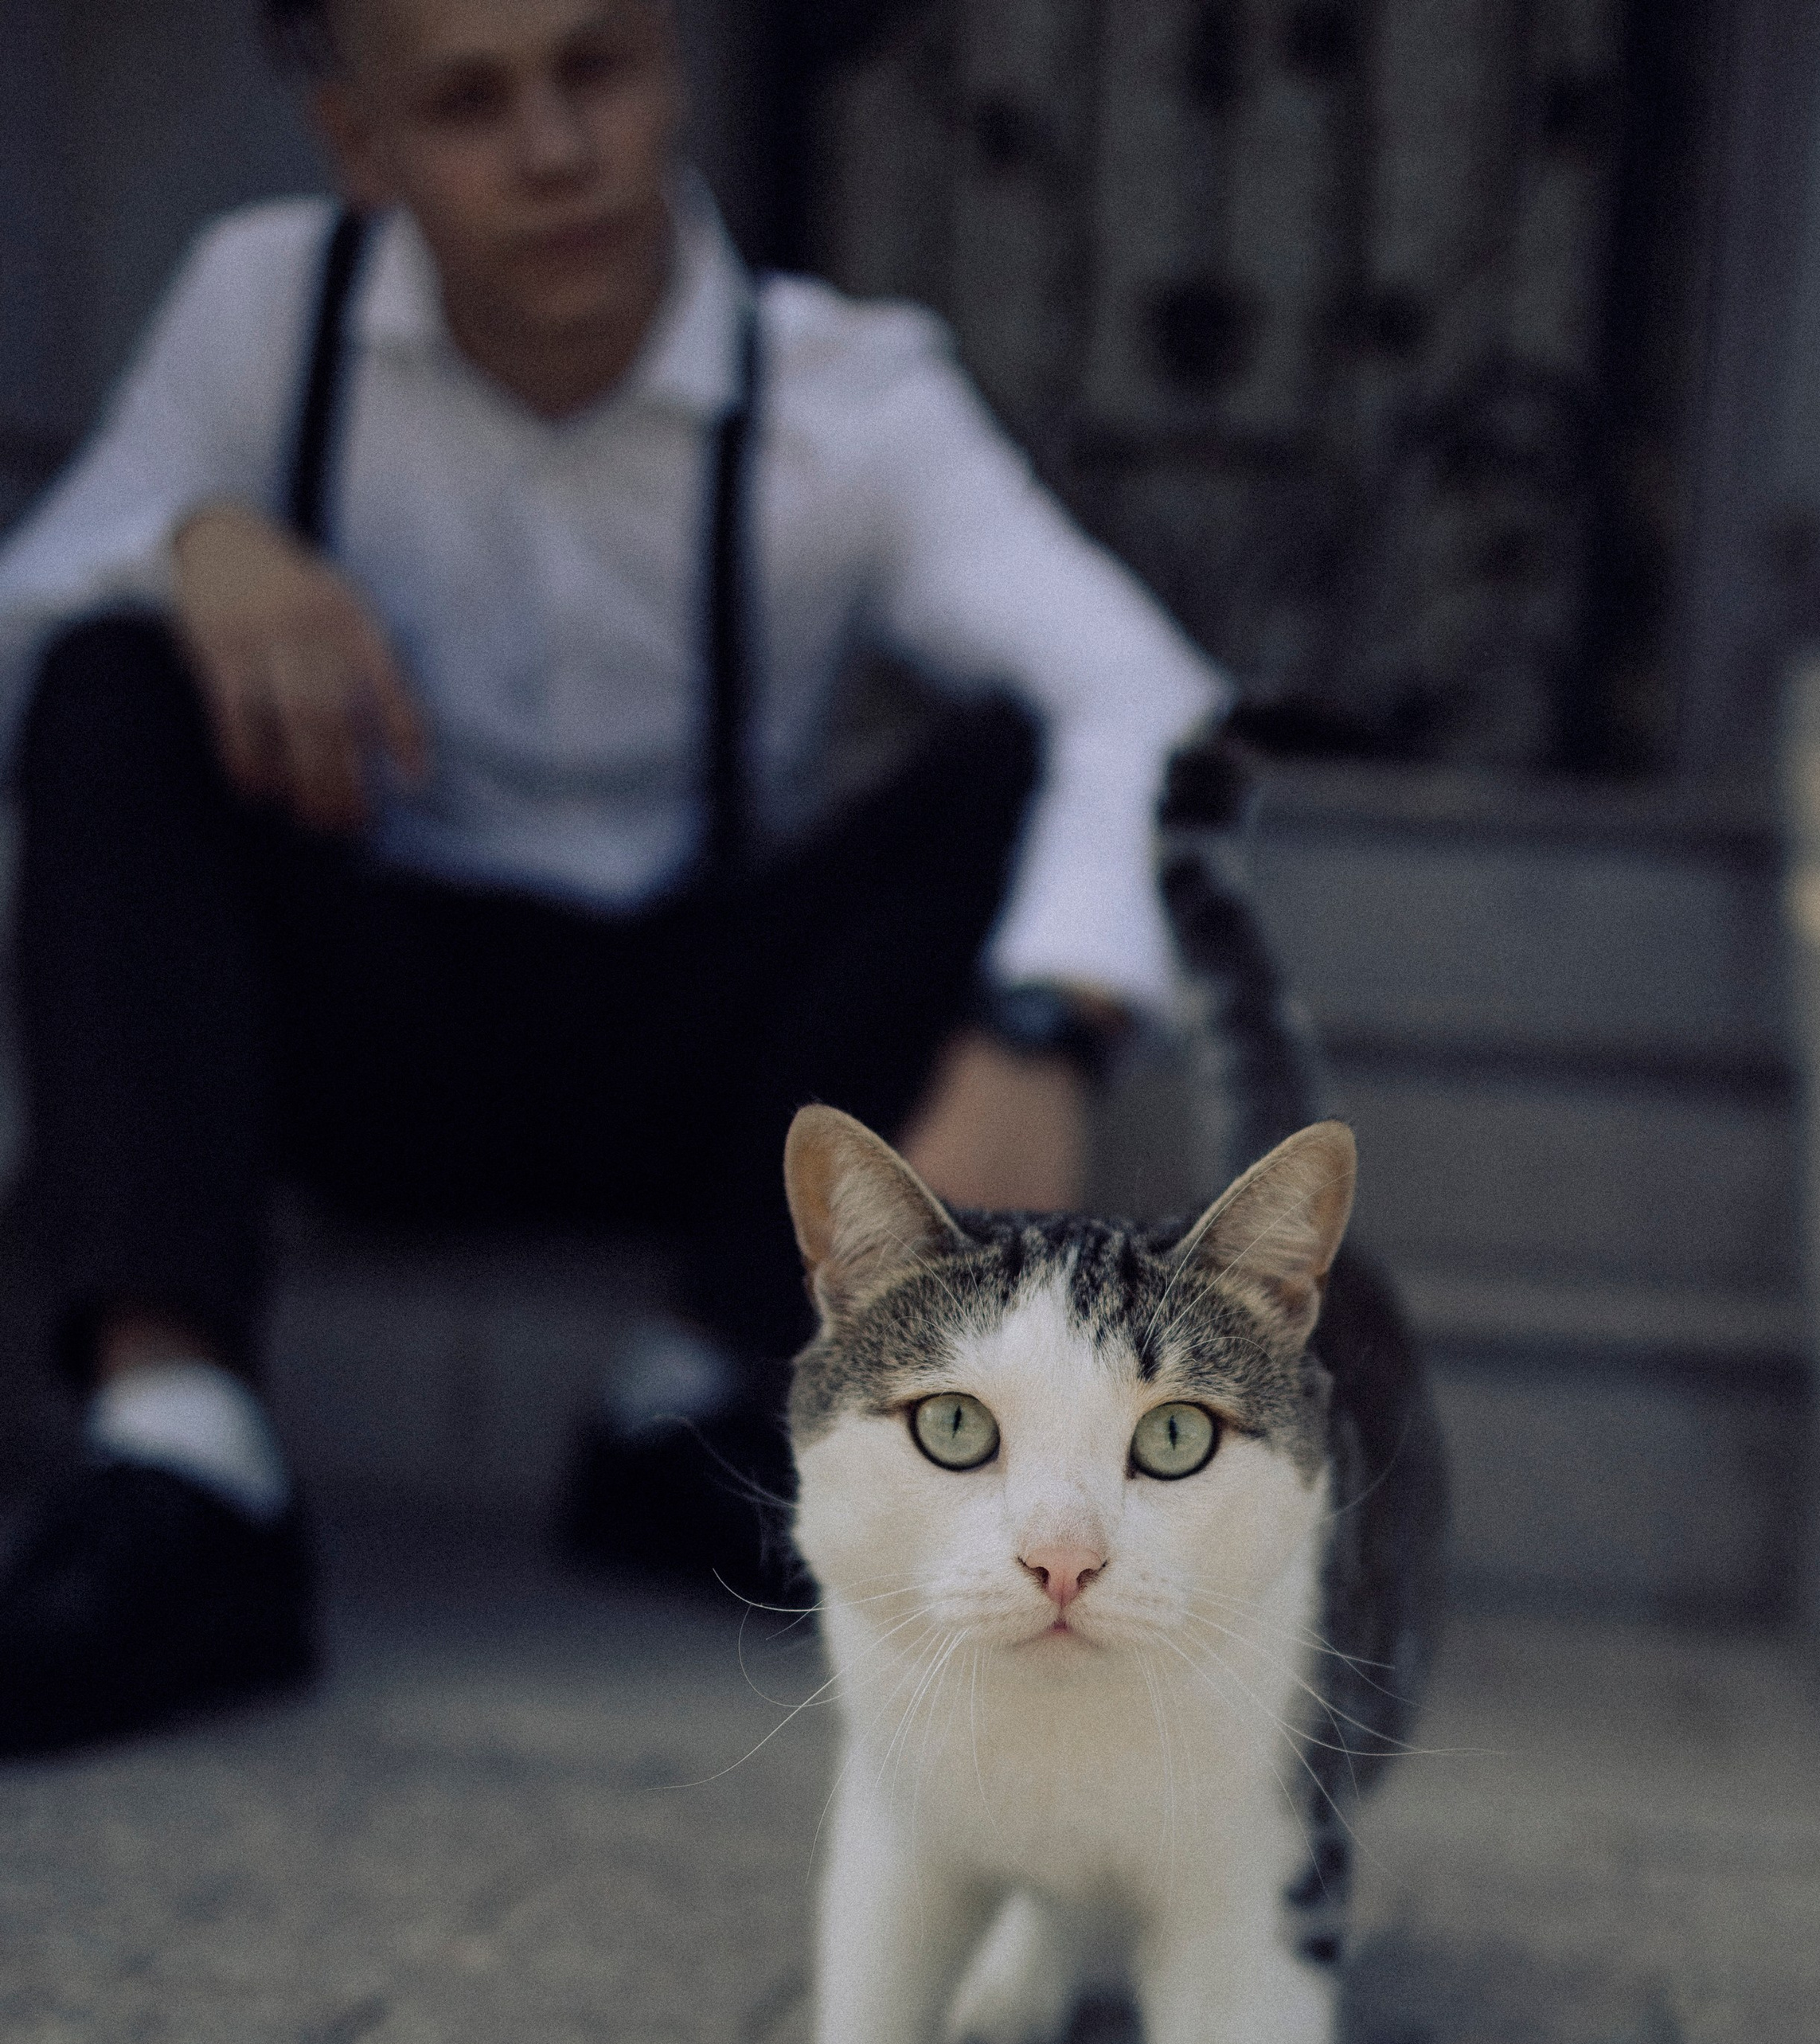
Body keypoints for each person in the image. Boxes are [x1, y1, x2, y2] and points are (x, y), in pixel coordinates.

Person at [0, 0, 1227, 1755]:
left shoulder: (846, 391)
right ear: (360, 145)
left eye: (594, 67)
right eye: (468, 101)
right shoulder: (267, 309)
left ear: (671, 64)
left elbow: (1153, 698)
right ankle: (183, 1458)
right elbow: (30, 621)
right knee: (111, 675)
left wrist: (1049, 1029)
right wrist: (185, 544)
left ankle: (699, 1413)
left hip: (699, 1069)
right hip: (369, 1032)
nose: (555, 151)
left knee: (1013, 768)